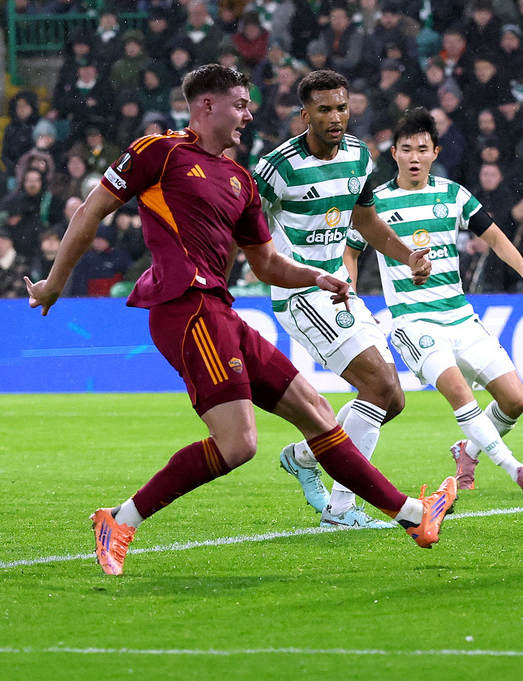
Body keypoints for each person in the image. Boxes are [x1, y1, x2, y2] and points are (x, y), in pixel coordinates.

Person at [25, 65, 457, 576]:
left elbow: (267, 263)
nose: (249, 115)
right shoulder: (157, 153)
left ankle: (412, 515)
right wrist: (55, 282)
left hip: (221, 311)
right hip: (185, 309)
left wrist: (318, 277)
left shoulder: (239, 180)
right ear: (206, 106)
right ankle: (119, 519)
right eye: (240, 105)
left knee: (317, 412)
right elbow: (89, 212)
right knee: (240, 445)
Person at [252, 70, 437, 528]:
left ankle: (304, 454)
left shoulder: (358, 154)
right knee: (378, 386)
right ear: (305, 115)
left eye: (341, 107)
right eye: (324, 109)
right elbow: (242, 225)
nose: (336, 117)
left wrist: (407, 253)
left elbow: (366, 221)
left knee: (392, 399)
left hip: (339, 289)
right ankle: (340, 510)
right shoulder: (278, 168)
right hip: (300, 292)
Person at [345, 107, 523, 494]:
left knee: (516, 400)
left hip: (460, 317)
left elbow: (494, 237)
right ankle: (516, 468)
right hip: (414, 321)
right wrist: (351, 298)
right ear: (394, 153)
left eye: (421, 149)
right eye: (406, 149)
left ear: (435, 153)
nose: (413, 157)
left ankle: (467, 450)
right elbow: (351, 252)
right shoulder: (377, 204)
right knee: (460, 393)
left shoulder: (453, 195)